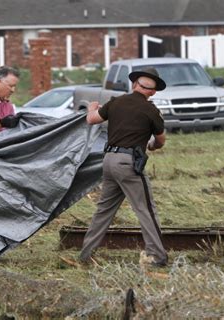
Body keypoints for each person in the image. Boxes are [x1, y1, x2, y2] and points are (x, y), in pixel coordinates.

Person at [79, 67, 168, 267]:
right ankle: (158, 256)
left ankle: (86, 255)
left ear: (134, 84)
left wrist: (92, 106)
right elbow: (161, 140)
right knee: (146, 209)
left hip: (108, 161)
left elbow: (91, 119)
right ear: (153, 92)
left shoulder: (115, 102)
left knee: (103, 210)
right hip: (128, 165)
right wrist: (151, 146)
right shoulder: (151, 110)